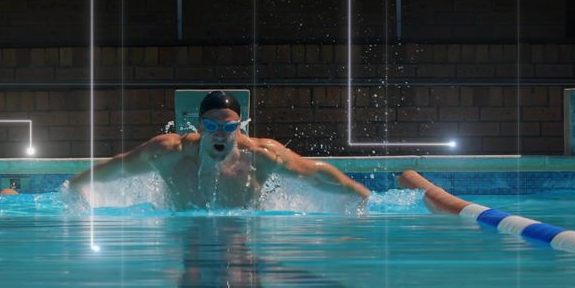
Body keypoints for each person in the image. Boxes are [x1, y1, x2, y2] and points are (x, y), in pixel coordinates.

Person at [65, 90, 370, 210]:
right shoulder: (169, 153)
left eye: (229, 127)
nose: (220, 134)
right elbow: (119, 166)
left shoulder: (261, 156)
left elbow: (314, 173)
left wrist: (358, 193)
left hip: (244, 242)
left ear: (241, 127)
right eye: (212, 127)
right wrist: (76, 186)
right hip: (186, 242)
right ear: (198, 127)